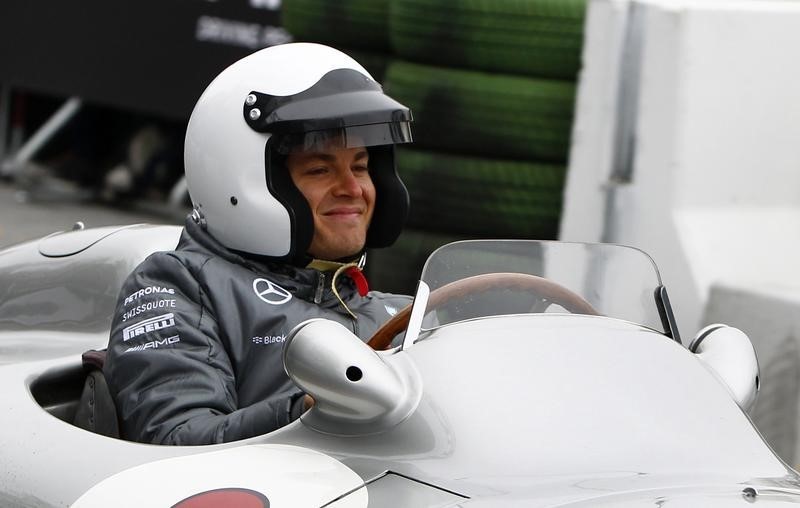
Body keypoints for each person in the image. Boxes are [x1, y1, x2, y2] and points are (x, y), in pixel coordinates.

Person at [103, 43, 414, 445]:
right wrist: (307, 412)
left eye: (360, 166)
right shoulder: (180, 287)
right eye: (320, 169)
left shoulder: (401, 314)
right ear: (243, 181)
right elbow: (175, 442)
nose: (353, 189)